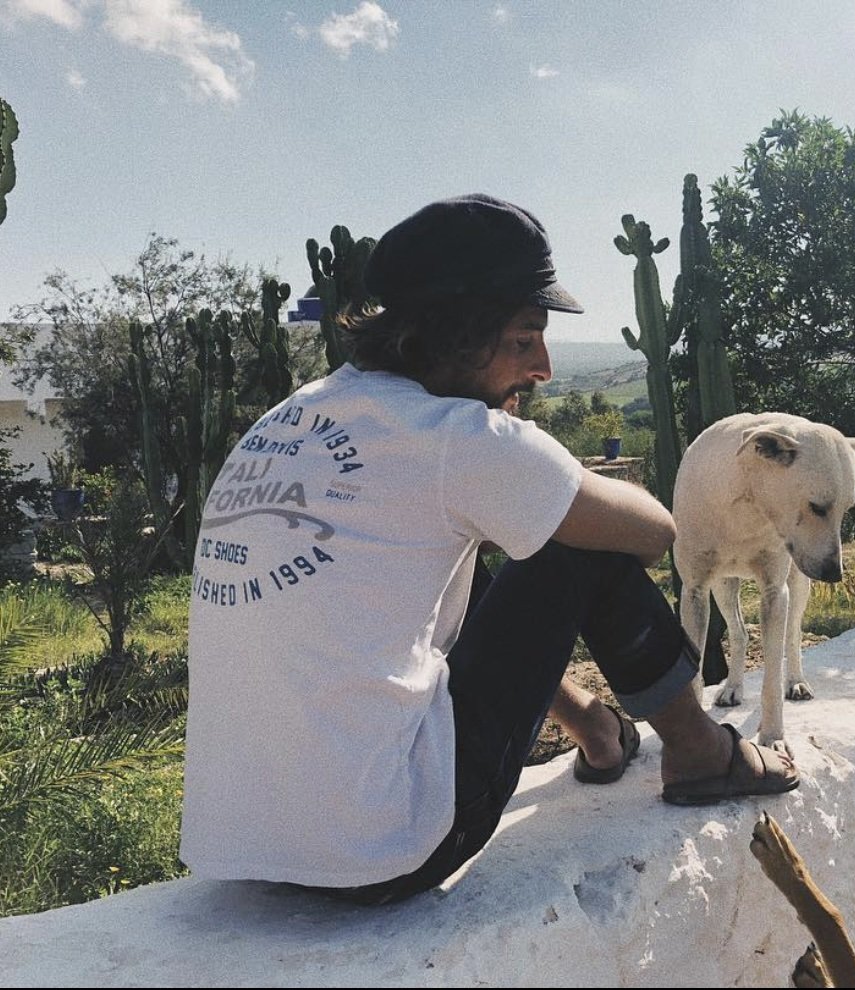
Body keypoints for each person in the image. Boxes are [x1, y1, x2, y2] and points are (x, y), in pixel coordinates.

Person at [179, 193, 798, 906]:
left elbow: (442, 606)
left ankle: (597, 729)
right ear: (455, 333)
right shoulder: (454, 438)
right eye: (523, 338)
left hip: (247, 848)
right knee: (578, 540)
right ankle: (700, 754)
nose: (543, 368)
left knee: (486, 548)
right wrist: (544, 465)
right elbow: (655, 532)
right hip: (388, 849)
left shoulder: (289, 417)